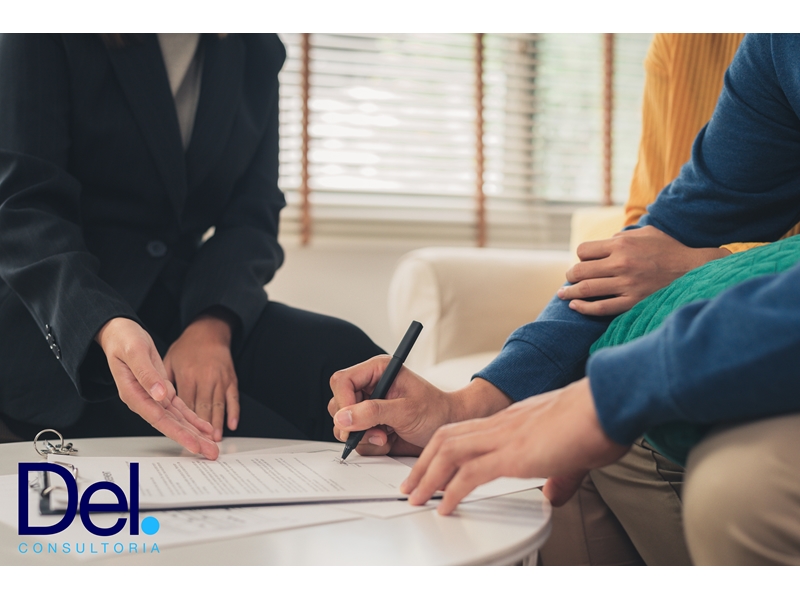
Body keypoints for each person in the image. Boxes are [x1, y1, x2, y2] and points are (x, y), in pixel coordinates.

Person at [328, 33, 800, 565]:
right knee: (573, 460)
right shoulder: (775, 40)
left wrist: (613, 392)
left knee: (735, 490)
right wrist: (471, 407)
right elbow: (677, 226)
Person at [0, 34, 383, 458]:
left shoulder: (256, 46)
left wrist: (211, 325)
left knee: (352, 364)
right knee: (255, 445)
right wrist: (104, 324)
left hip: (187, 303)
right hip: (69, 319)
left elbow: (253, 214)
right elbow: (24, 210)